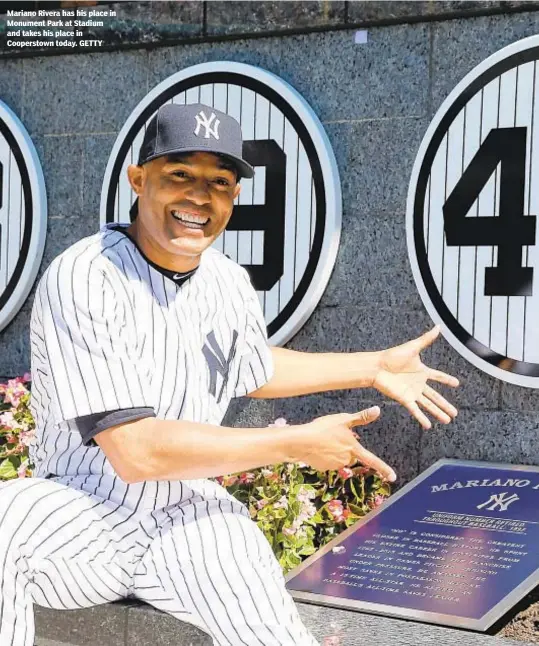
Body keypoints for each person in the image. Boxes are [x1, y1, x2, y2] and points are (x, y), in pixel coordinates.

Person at [0, 103, 459, 646]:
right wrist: (290, 444)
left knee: (272, 632)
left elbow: (250, 365)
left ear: (234, 197)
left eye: (219, 181)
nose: (199, 196)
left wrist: (374, 366)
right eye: (180, 175)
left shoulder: (227, 281)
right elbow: (137, 451)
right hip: (84, 513)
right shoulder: (86, 273)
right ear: (138, 178)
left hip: (187, 517)